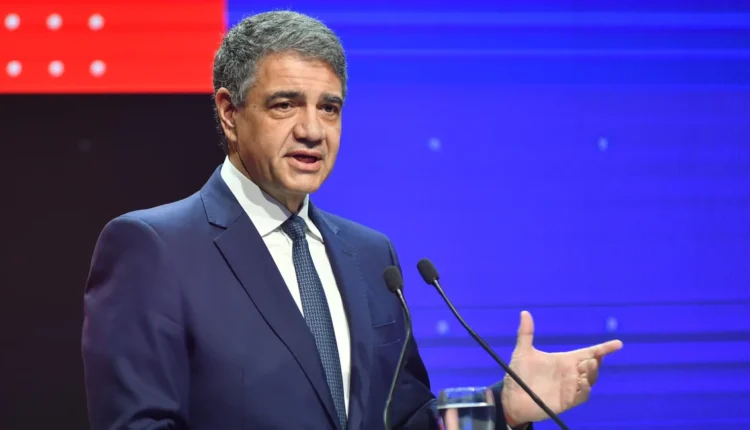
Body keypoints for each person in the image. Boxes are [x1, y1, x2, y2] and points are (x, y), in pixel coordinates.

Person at [81, 10, 623, 430]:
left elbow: (403, 419)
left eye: (330, 108)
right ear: (229, 113)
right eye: (285, 105)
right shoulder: (155, 248)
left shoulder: (370, 256)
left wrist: (502, 408)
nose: (312, 130)